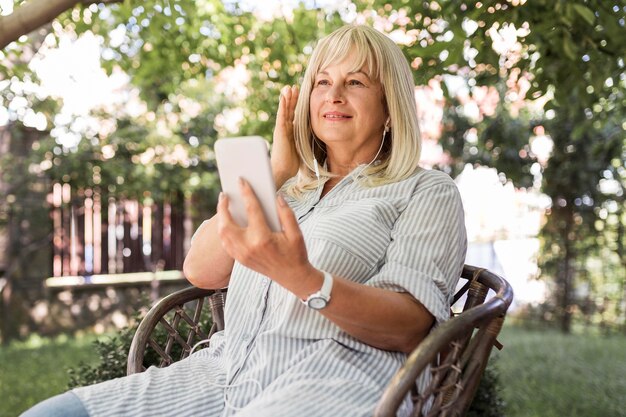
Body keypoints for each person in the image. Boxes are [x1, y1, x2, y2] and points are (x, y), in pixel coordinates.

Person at [21, 24, 467, 417]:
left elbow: (410, 325)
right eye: (322, 82)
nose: (334, 94)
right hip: (220, 374)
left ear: (390, 105)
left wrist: (303, 277)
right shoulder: (287, 188)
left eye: (355, 82)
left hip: (331, 381)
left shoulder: (424, 191)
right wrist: (273, 172)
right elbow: (202, 269)